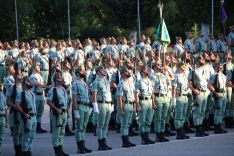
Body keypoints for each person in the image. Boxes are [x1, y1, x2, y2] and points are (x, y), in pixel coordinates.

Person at [47, 72, 69, 156]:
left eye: (60, 78)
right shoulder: (53, 89)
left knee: (62, 133)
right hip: (57, 114)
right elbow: (48, 101)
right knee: (56, 133)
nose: (60, 79)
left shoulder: (64, 89)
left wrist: (68, 111)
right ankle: (57, 152)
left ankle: (61, 150)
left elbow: (66, 103)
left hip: (64, 113)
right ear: (55, 80)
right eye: (58, 78)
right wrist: (56, 109)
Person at [92, 66, 113, 151]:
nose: (104, 71)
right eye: (101, 70)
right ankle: (100, 144)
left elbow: (109, 93)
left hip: (108, 104)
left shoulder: (106, 80)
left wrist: (111, 103)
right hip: (101, 104)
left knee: (106, 125)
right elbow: (94, 94)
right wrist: (95, 105)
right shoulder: (96, 82)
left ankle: (104, 142)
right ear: (98, 72)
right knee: (100, 125)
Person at [72, 66, 92, 154]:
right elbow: (74, 98)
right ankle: (79, 147)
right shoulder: (75, 84)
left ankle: (83, 145)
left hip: (86, 106)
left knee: (83, 127)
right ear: (77, 73)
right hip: (80, 106)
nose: (83, 72)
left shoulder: (84, 83)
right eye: (81, 71)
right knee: (79, 127)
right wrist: (75, 110)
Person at [15, 77, 37, 156]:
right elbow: (17, 105)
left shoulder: (32, 93)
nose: (31, 83)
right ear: (25, 83)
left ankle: (29, 151)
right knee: (26, 136)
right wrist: (24, 113)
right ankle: (25, 152)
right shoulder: (21, 93)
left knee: (32, 136)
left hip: (34, 117)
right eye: (29, 81)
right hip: (27, 117)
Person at [135, 66, 155, 145]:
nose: (148, 71)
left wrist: (153, 102)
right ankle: (143, 138)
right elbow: (136, 94)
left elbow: (152, 93)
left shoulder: (150, 81)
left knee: (148, 120)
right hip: (142, 101)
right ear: (142, 72)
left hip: (149, 101)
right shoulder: (139, 82)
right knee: (142, 121)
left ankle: (147, 137)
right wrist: (137, 105)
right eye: (146, 70)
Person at [116, 67, 136, 147]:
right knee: (124, 124)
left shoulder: (130, 82)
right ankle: (124, 141)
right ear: (123, 74)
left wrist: (134, 105)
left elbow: (133, 95)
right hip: (125, 105)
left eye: (129, 71)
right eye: (127, 71)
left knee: (128, 124)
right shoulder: (121, 84)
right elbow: (119, 98)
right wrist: (120, 110)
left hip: (131, 104)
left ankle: (127, 140)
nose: (129, 72)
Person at [151, 63, 170, 142]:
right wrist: (153, 101)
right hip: (158, 97)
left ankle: (162, 133)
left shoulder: (163, 75)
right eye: (158, 65)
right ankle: (158, 134)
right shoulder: (153, 76)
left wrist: (167, 71)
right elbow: (151, 90)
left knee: (164, 117)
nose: (160, 66)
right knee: (158, 117)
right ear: (154, 67)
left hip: (165, 96)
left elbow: (170, 81)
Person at [29, 62, 51, 133]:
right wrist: (47, 86)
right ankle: (33, 127)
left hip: (41, 95)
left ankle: (38, 127)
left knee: (40, 112)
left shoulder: (40, 76)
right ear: (33, 67)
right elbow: (37, 84)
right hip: (35, 95)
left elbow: (42, 84)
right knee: (34, 112)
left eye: (39, 65)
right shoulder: (32, 76)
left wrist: (44, 96)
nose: (39, 66)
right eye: (37, 65)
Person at [172, 62, 190, 140]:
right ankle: (178, 133)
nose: (185, 66)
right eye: (183, 65)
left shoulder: (185, 75)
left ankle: (182, 131)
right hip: (179, 97)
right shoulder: (176, 76)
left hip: (185, 96)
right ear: (179, 67)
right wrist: (174, 100)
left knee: (183, 115)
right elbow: (174, 89)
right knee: (178, 116)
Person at [0, 83, 7, 154]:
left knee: (1, 137)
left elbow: (5, 110)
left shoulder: (3, 96)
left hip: (2, 118)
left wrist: (7, 122)